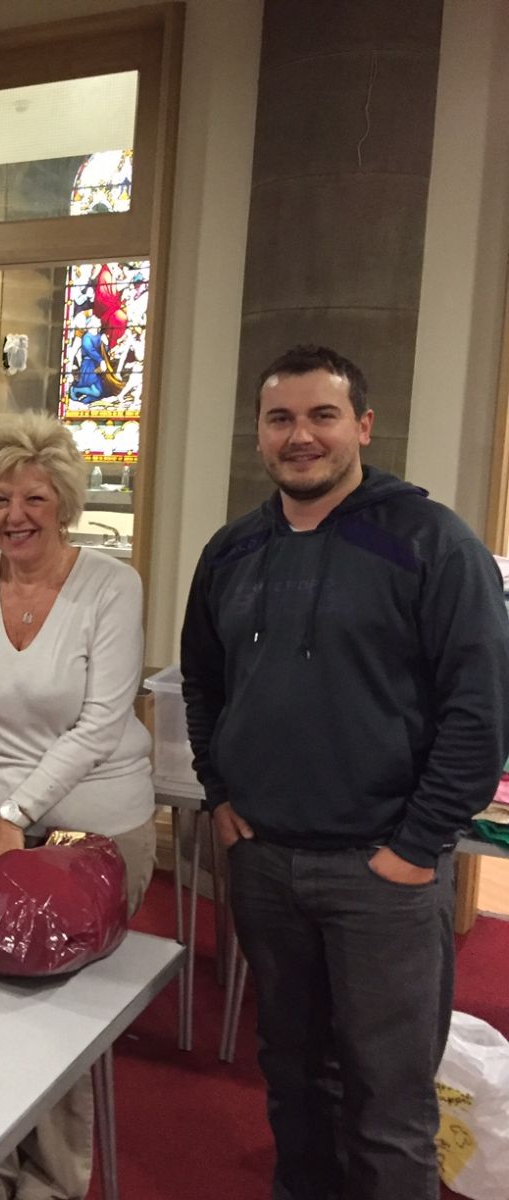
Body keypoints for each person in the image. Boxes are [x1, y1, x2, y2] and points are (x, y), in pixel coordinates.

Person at [181, 344, 509, 1200]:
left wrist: (417, 844)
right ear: (259, 434)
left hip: (384, 874)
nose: (301, 436)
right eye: (280, 418)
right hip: (266, 863)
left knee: (388, 1104)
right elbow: (203, 683)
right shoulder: (232, 552)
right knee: (293, 1084)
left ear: (361, 426)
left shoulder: (431, 543)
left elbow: (482, 712)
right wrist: (220, 795)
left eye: (322, 416)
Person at [0, 412, 155, 1200]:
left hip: (91, 830)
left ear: (64, 500)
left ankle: (53, 1182)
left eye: (33, 497)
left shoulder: (111, 586)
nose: (14, 515)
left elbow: (100, 720)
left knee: (55, 1022)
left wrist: (17, 815)